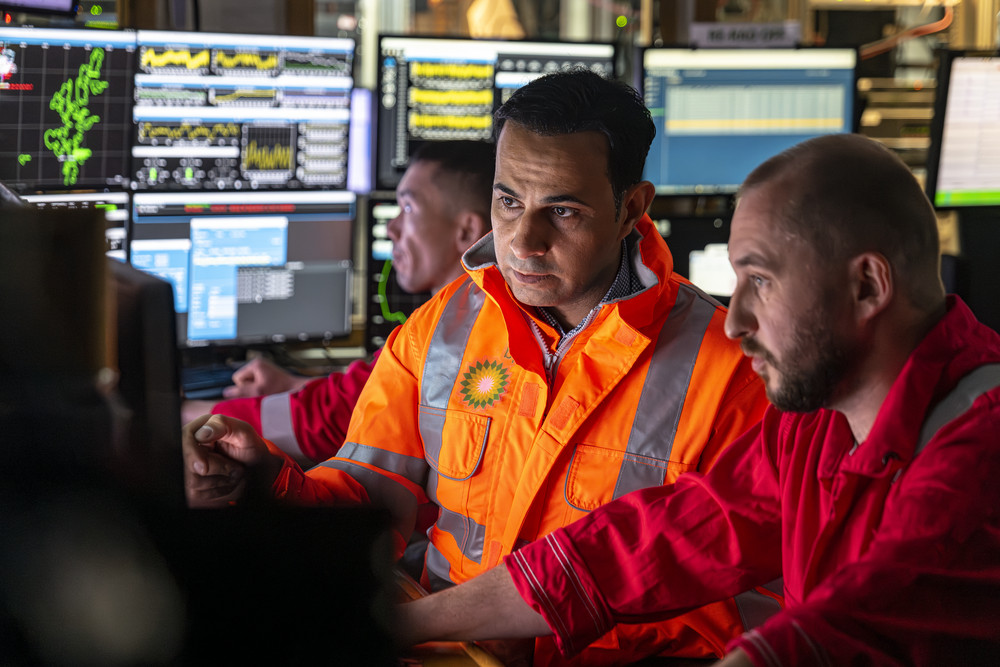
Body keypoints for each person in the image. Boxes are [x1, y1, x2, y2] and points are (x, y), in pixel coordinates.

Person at [183, 69, 772, 666]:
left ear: (632, 209)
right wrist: (266, 483)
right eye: (508, 201)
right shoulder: (445, 325)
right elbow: (368, 500)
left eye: (562, 211)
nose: (523, 241)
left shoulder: (733, 370)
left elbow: (746, 607)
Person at [394, 133, 1000, 665]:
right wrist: (402, 624)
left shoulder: (980, 444)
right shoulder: (815, 426)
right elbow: (655, 542)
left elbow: (852, 626)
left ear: (867, 284)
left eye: (760, 281)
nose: (734, 322)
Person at [181, 140, 496, 466]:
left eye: (408, 208)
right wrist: (292, 385)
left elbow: (327, 420)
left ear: (466, 229)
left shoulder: (454, 335)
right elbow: (369, 391)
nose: (391, 228)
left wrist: (184, 413)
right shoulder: (460, 318)